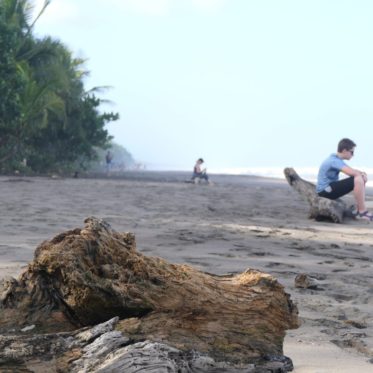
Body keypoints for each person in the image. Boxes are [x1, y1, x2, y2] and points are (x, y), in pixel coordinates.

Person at [316, 138, 373, 221]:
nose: (353, 155)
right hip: (325, 191)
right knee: (358, 179)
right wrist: (362, 175)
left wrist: (362, 174)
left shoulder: (336, 159)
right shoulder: (334, 161)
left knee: (359, 178)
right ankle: (362, 212)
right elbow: (353, 173)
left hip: (327, 190)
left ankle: (359, 209)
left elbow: (353, 171)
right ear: (344, 151)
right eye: (352, 152)